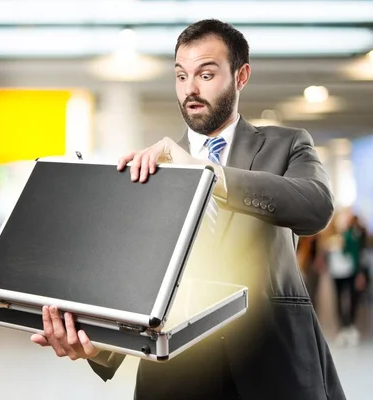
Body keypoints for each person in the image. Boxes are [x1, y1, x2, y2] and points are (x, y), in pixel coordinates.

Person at [31, 19, 345, 399]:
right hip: (177, 378)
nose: (190, 89)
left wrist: (206, 173)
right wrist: (97, 346)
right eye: (181, 76)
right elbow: (135, 281)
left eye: (206, 74)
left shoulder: (287, 144)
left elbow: (315, 206)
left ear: (241, 76)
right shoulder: (149, 170)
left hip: (275, 370)